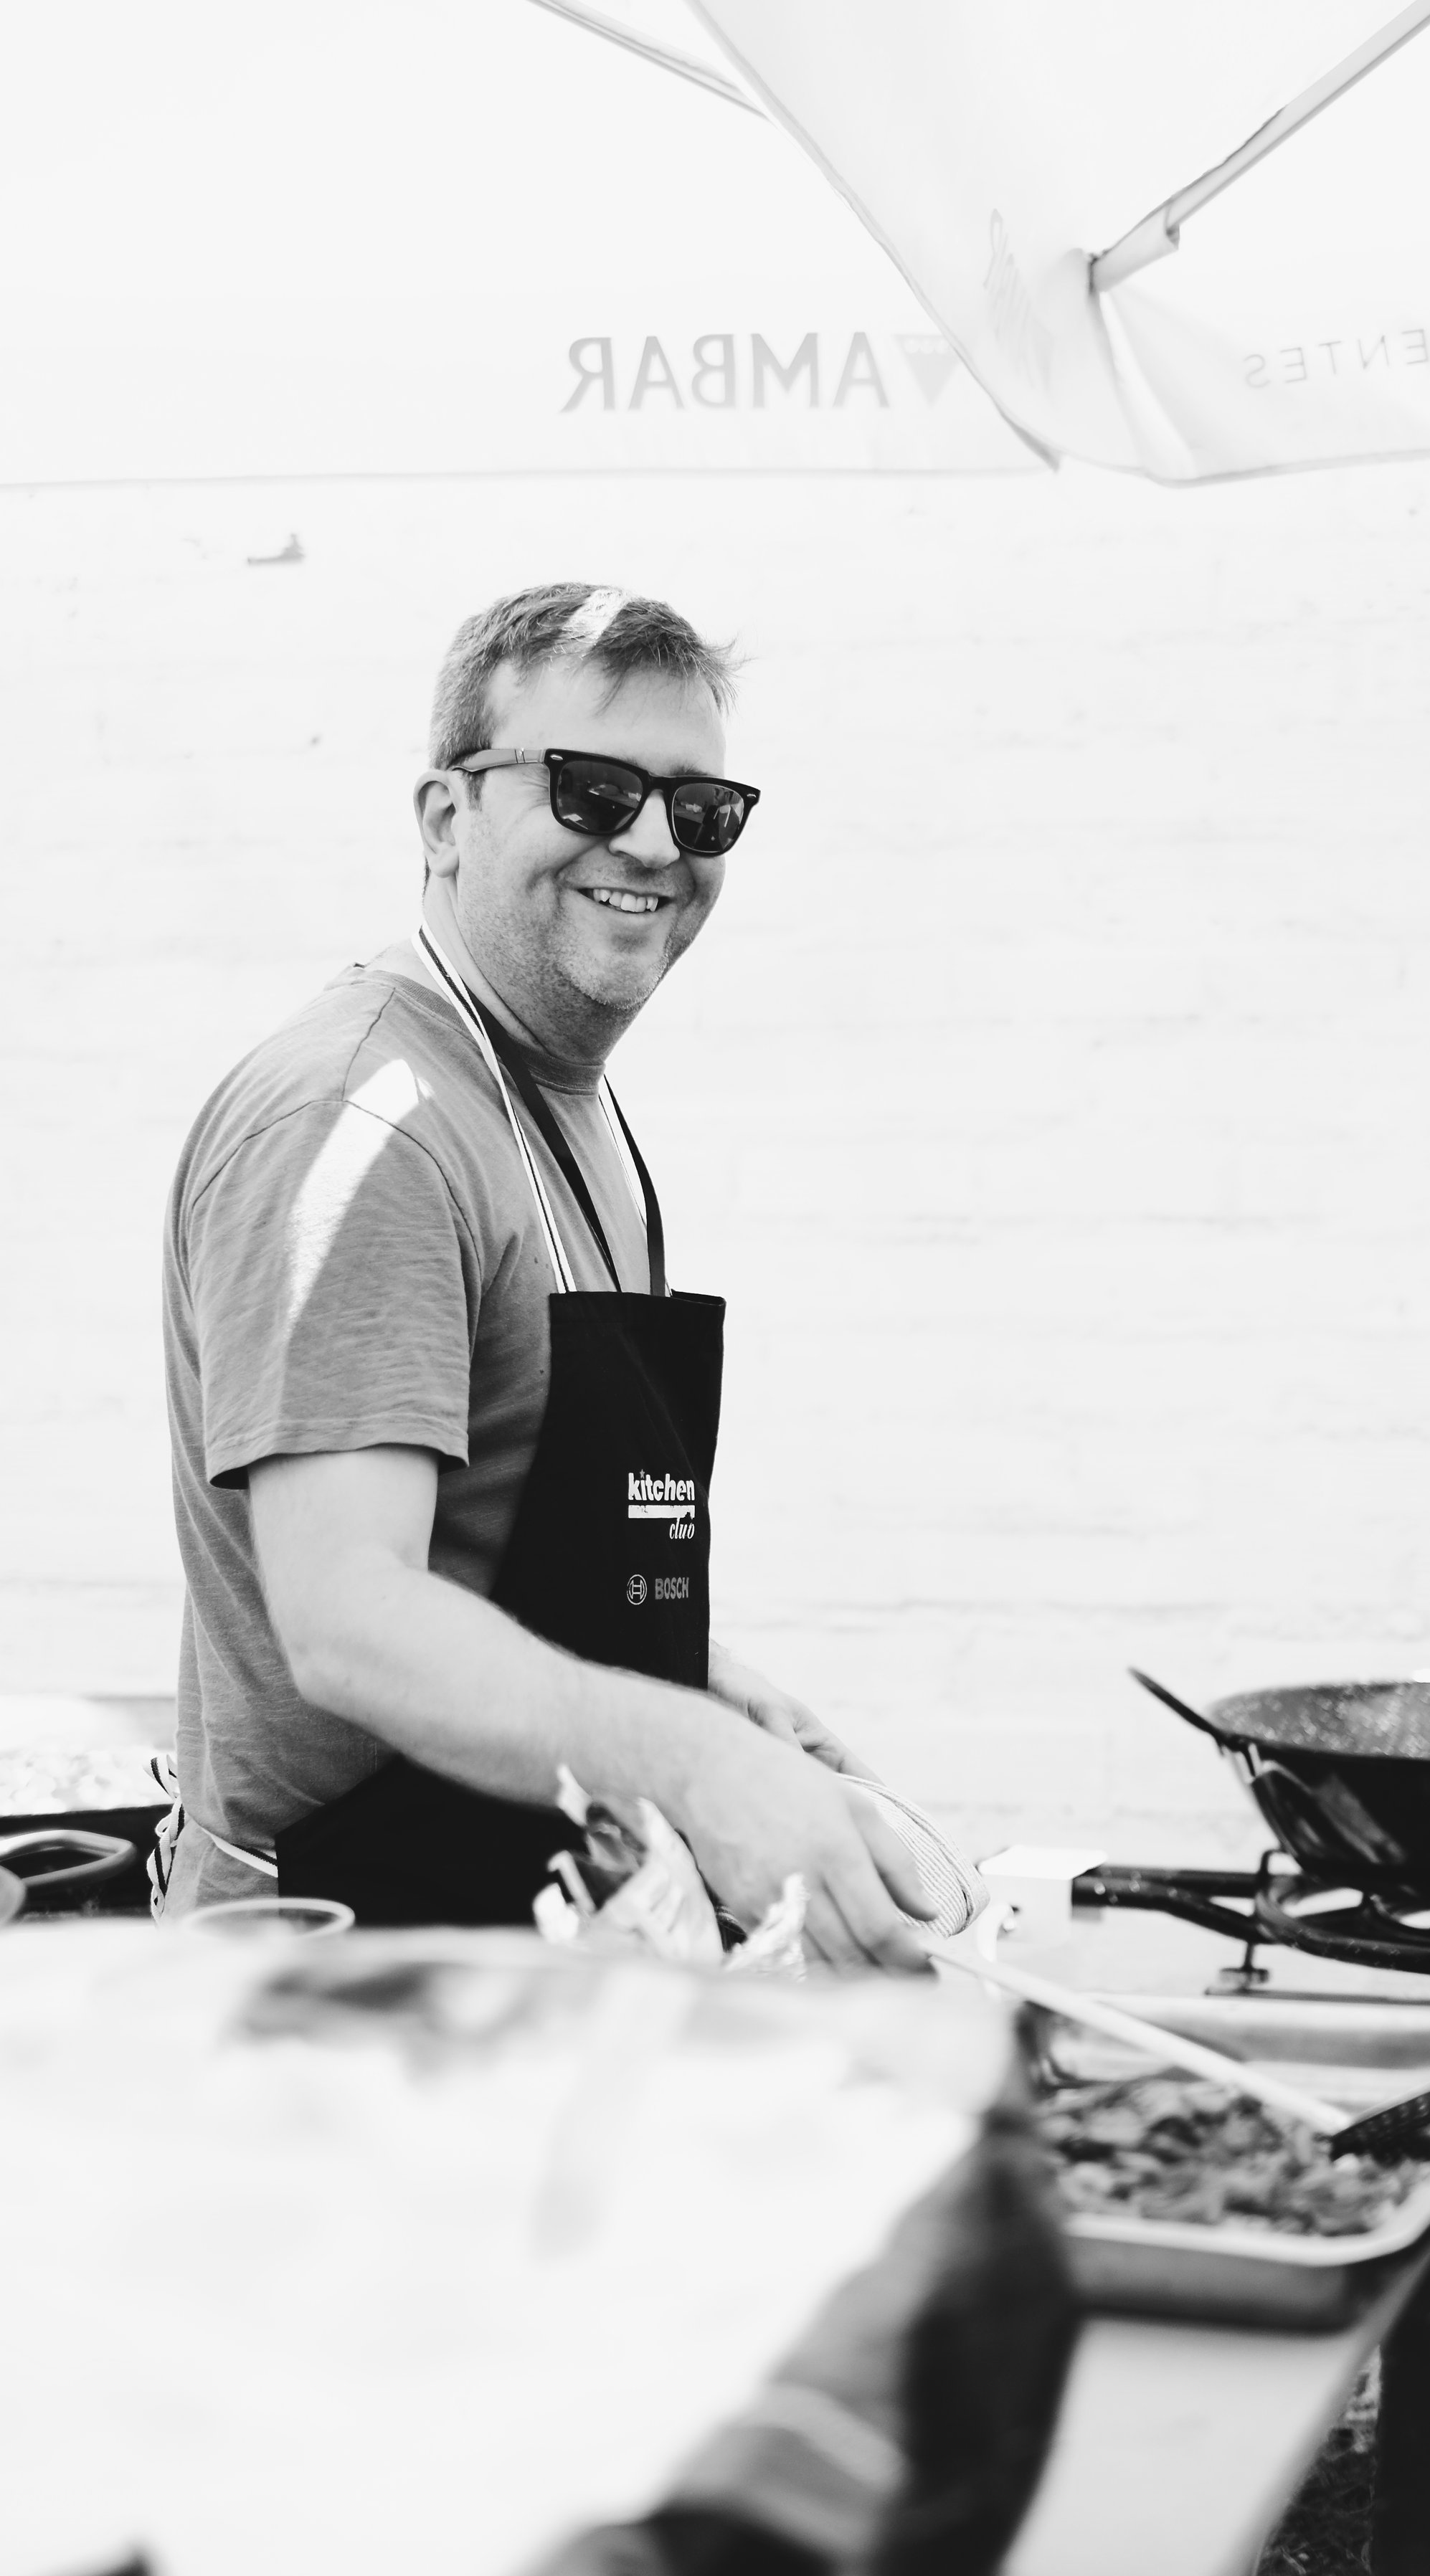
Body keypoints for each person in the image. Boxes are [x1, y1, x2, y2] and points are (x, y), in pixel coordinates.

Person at [156, 581, 930, 1963]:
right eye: (589, 787)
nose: (651, 841)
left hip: (522, 1941)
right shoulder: (365, 1121)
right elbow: (349, 1618)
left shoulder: (564, 1104)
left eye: (700, 812)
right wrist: (689, 1760)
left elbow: (507, 1553)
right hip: (339, 1984)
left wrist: (710, 1695)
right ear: (447, 818)